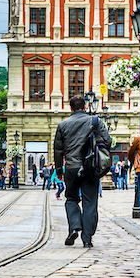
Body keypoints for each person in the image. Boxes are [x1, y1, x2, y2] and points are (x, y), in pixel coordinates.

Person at [53, 95, 111, 248]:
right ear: (84, 107)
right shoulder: (95, 121)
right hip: (90, 167)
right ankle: (87, 238)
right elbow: (108, 140)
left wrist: (59, 169)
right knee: (90, 203)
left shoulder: (62, 125)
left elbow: (58, 150)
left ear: (70, 108)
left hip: (71, 168)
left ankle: (74, 226)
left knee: (71, 199)